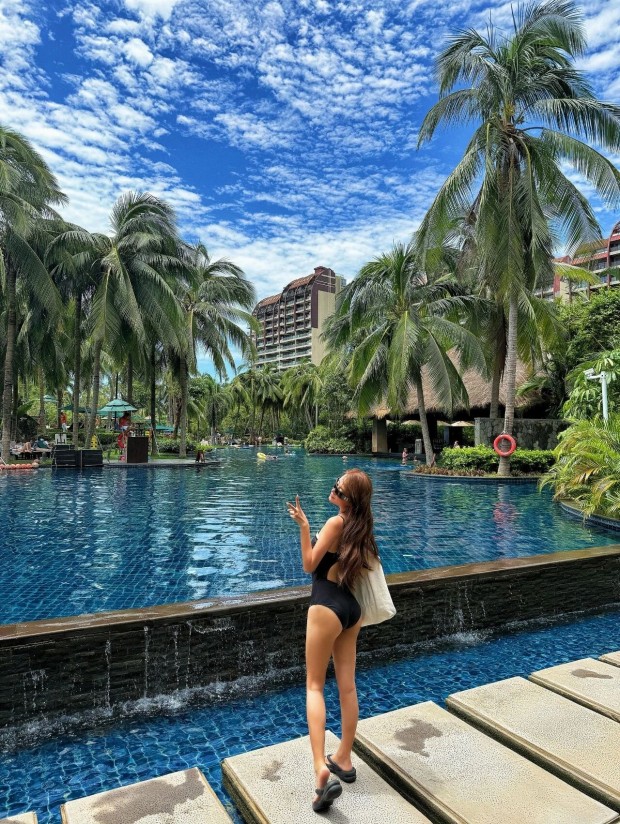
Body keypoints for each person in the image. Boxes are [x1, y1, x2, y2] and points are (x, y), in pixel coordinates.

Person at [287, 469, 378, 813]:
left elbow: (309, 564)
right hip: (351, 609)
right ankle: (343, 759)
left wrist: (305, 527)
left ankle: (320, 771)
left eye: (337, 488)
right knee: (348, 688)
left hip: (326, 606)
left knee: (314, 686)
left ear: (347, 499)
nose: (332, 490)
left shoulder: (335, 523)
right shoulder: (363, 527)